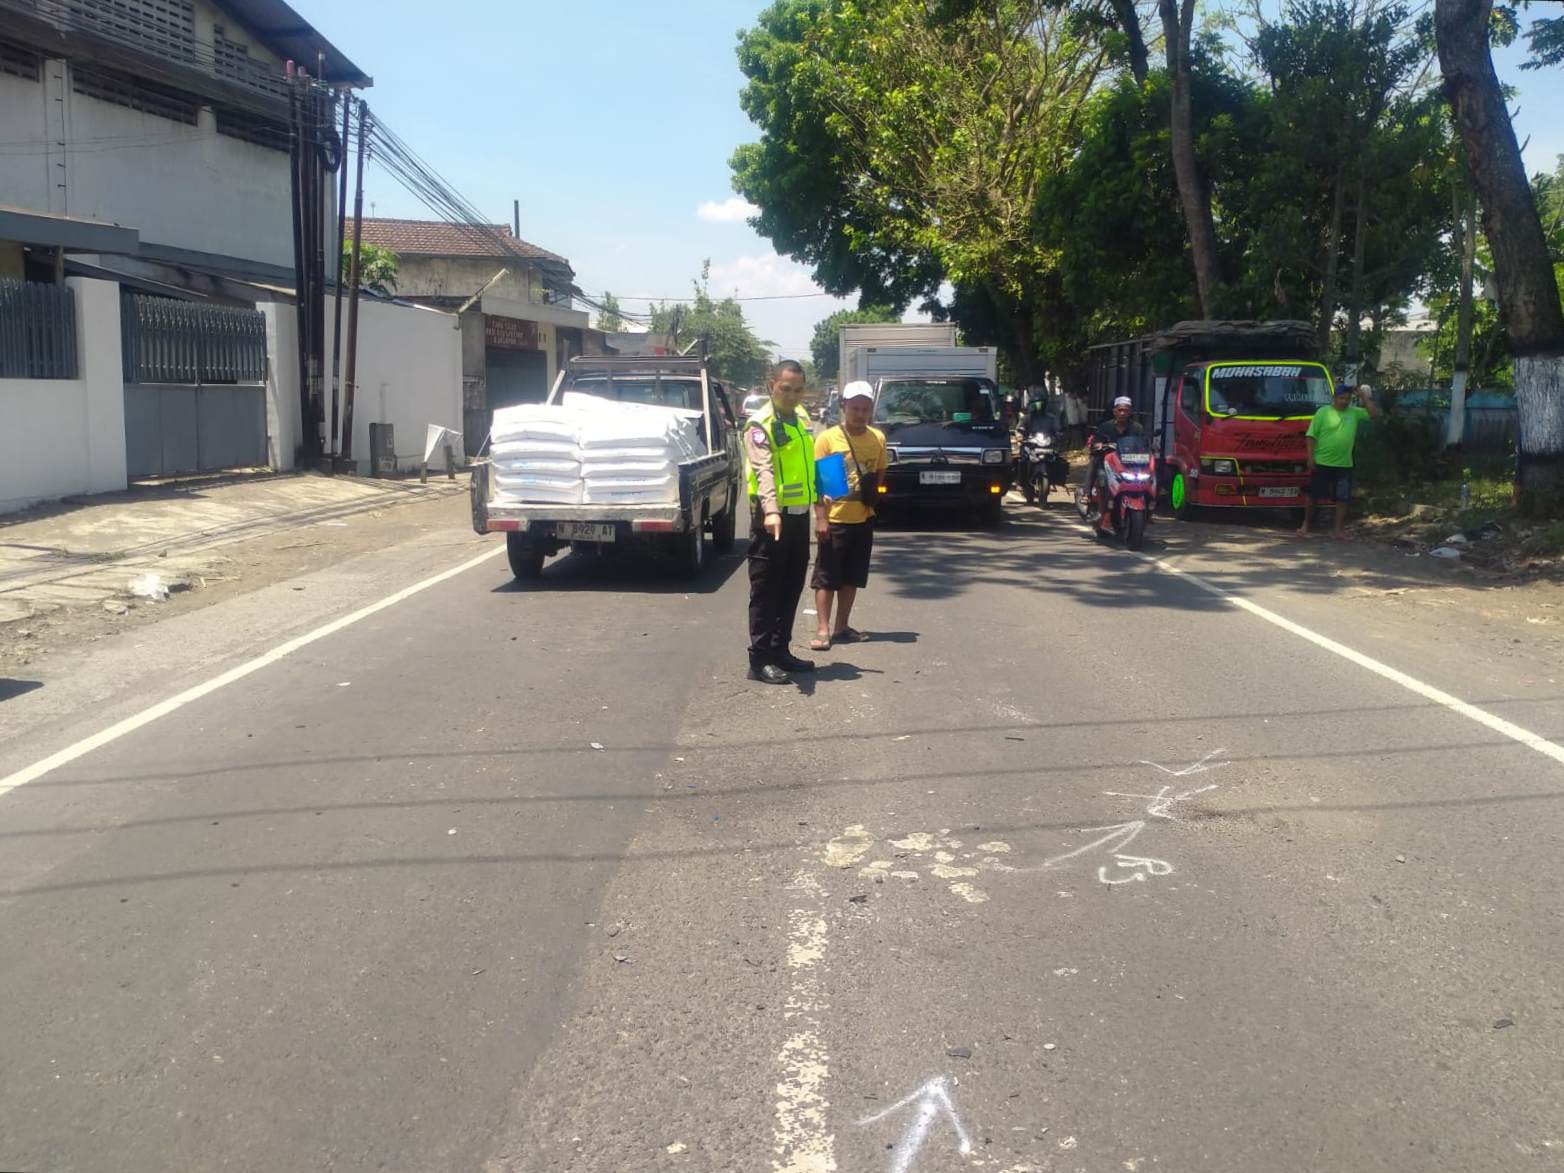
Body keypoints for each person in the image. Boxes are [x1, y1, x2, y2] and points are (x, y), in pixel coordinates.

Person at [745, 359, 823, 685]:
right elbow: (764, 470)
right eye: (785, 389)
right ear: (771, 387)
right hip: (770, 520)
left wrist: (823, 494)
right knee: (766, 590)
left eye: (798, 389)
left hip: (798, 517)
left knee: (791, 586)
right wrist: (772, 510)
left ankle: (781, 651)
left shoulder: (802, 418)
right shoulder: (759, 424)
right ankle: (760, 659)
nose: (792, 395)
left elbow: (809, 464)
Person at [809, 381, 887, 650]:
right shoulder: (828, 438)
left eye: (865, 409)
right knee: (827, 579)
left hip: (863, 519)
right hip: (835, 520)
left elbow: (879, 472)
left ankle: (842, 626)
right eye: (854, 408)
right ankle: (823, 629)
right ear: (843, 406)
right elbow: (819, 483)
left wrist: (871, 498)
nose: (860, 414)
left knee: (852, 577)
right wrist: (821, 519)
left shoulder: (877, 438)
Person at [1298, 383, 1380, 540]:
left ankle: (1337, 530)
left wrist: (1362, 396)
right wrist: (1310, 457)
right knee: (1313, 496)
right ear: (1334, 398)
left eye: (1348, 399)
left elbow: (1374, 415)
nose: (1344, 401)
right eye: (1341, 398)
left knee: (1342, 499)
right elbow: (1311, 436)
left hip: (1344, 464)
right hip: (1322, 462)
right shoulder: (1323, 412)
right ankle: (1305, 525)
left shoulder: (1354, 413)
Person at [1087, 395, 1144, 532]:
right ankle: (1089, 496)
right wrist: (1098, 445)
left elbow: (1144, 443)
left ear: (1130, 412)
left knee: (1150, 477)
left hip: (1131, 465)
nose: (1123, 413)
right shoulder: (1105, 427)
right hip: (1109, 464)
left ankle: (1150, 507)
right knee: (1102, 477)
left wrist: (1150, 448)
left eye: (1125, 410)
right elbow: (1095, 442)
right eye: (1120, 410)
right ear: (1114, 411)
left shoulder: (1137, 428)